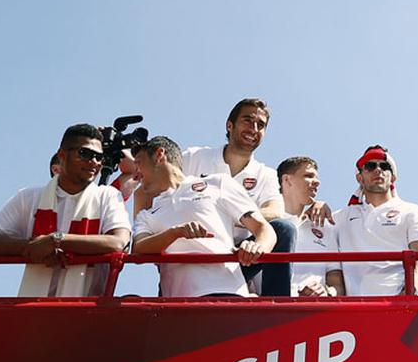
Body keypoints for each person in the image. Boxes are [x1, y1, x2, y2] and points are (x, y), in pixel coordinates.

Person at [0, 124, 130, 297]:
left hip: (89, 311)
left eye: (99, 157)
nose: (94, 162)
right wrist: (32, 247)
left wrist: (57, 240)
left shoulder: (108, 196)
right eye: (85, 154)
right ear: (62, 154)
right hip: (34, 310)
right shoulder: (29, 197)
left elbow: (118, 242)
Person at [132, 136, 275, 298]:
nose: (135, 174)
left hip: (228, 295)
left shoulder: (217, 183)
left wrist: (257, 247)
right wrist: (176, 233)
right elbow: (137, 249)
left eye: (138, 163)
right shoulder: (146, 215)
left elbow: (264, 229)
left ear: (159, 154)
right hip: (179, 304)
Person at [182, 98, 294, 296]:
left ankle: (276, 309)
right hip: (193, 252)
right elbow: (160, 190)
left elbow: (276, 210)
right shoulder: (194, 157)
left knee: (284, 229)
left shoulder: (265, 174)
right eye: (248, 120)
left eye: (261, 125)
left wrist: (238, 216)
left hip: (237, 257)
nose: (254, 129)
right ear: (229, 125)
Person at [333, 145, 418, 295]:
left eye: (385, 166)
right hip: (355, 310)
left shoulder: (413, 211)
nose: (378, 170)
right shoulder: (339, 217)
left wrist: (408, 293)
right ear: (359, 177)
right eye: (370, 166)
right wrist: (316, 205)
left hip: (403, 306)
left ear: (392, 177)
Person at [276, 156, 345, 297]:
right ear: (287, 180)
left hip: (313, 312)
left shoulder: (325, 227)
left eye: (317, 177)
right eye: (308, 176)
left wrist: (326, 292)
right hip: (269, 312)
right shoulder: (263, 222)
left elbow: (337, 284)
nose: (317, 182)